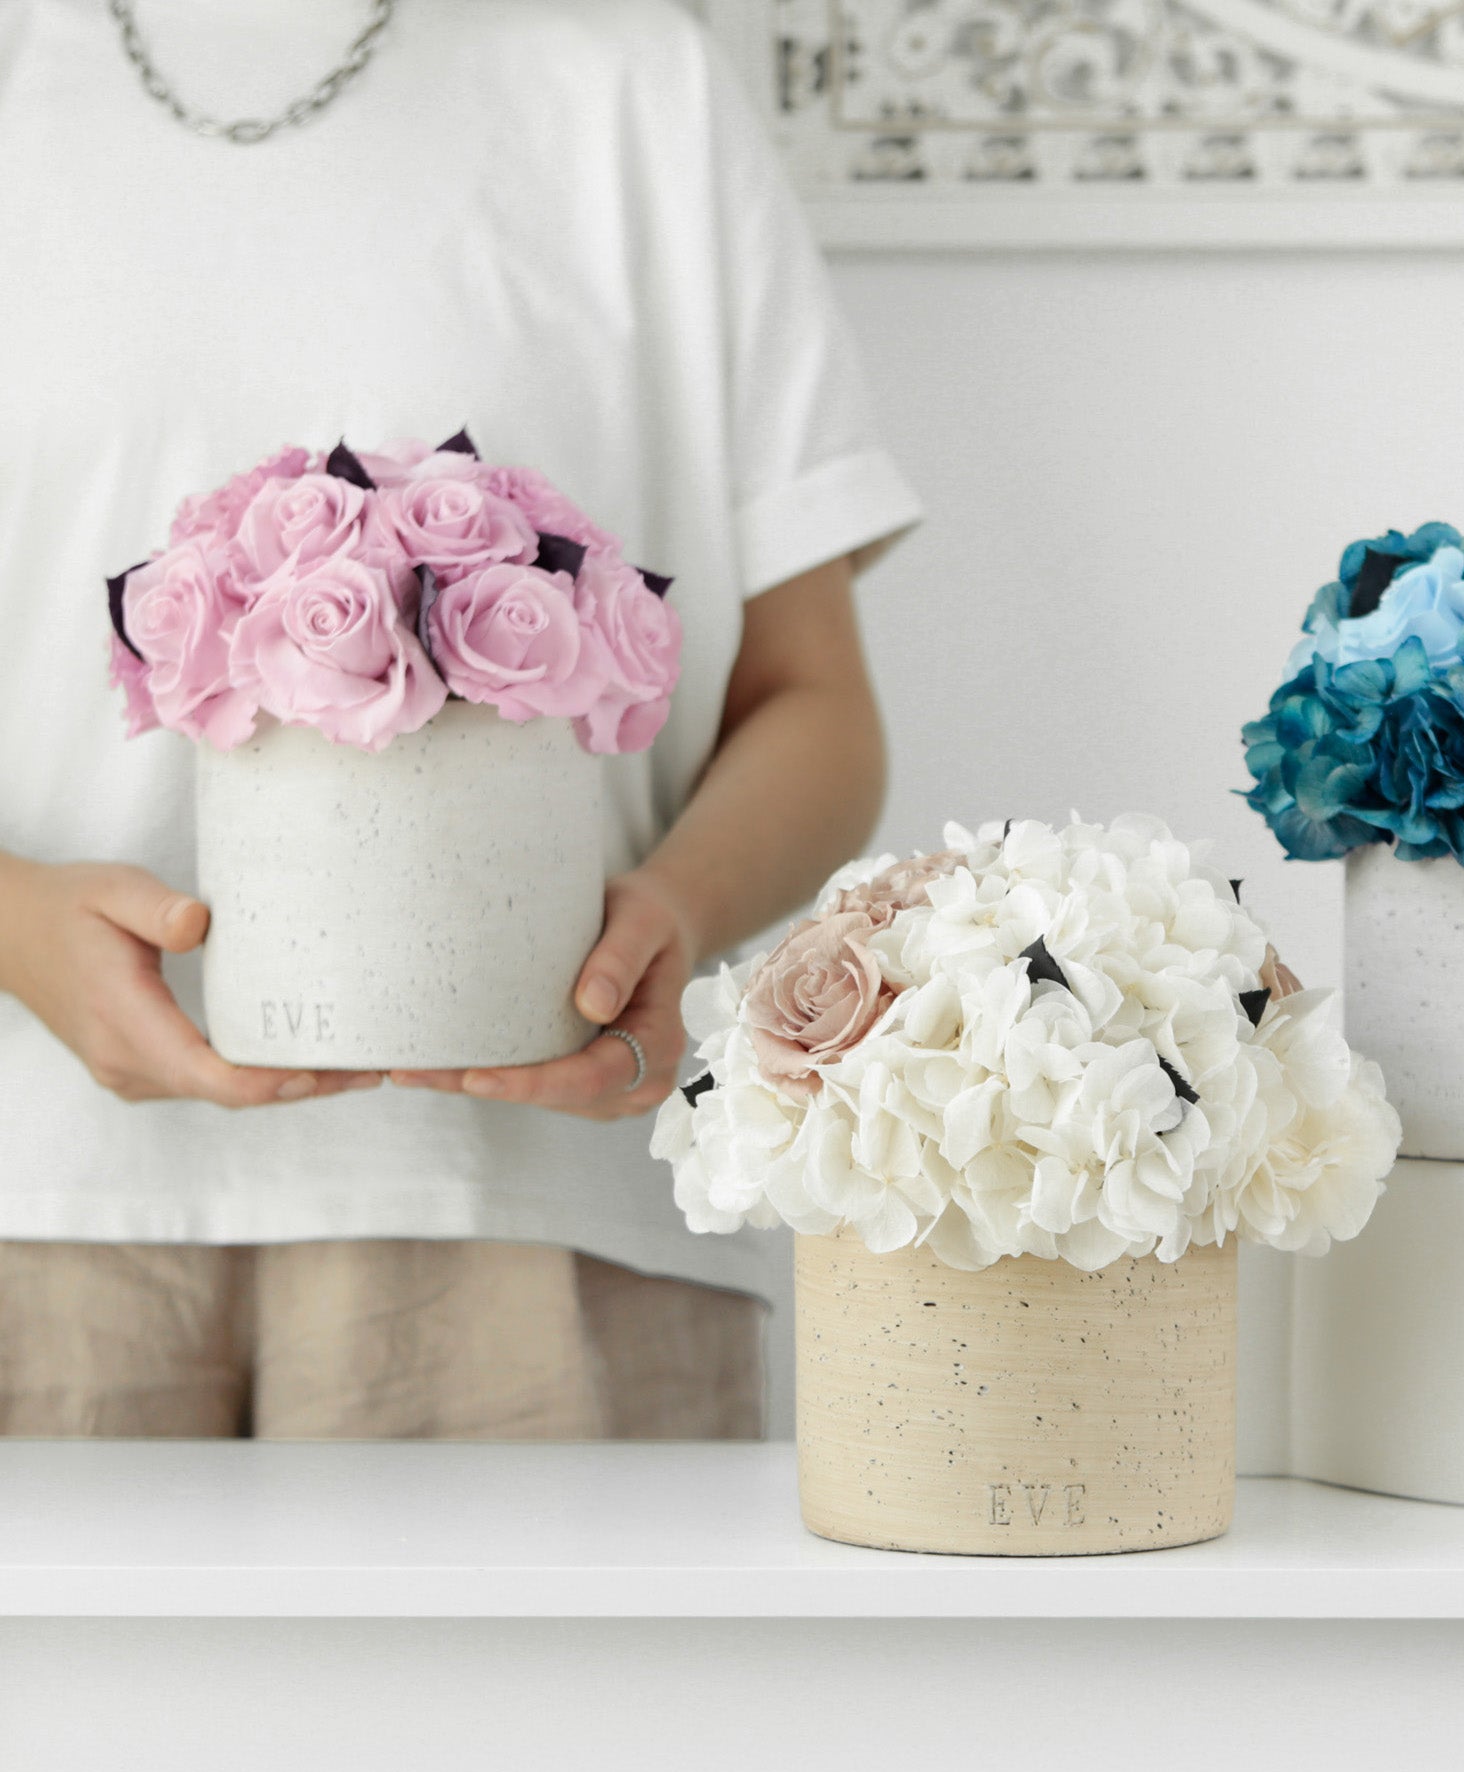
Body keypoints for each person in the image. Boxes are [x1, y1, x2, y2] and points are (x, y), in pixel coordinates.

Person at [0, 0, 921, 1436]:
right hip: (34, 1197)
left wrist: (677, 910)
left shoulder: (628, 83)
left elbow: (810, 700)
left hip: (537, 1207)